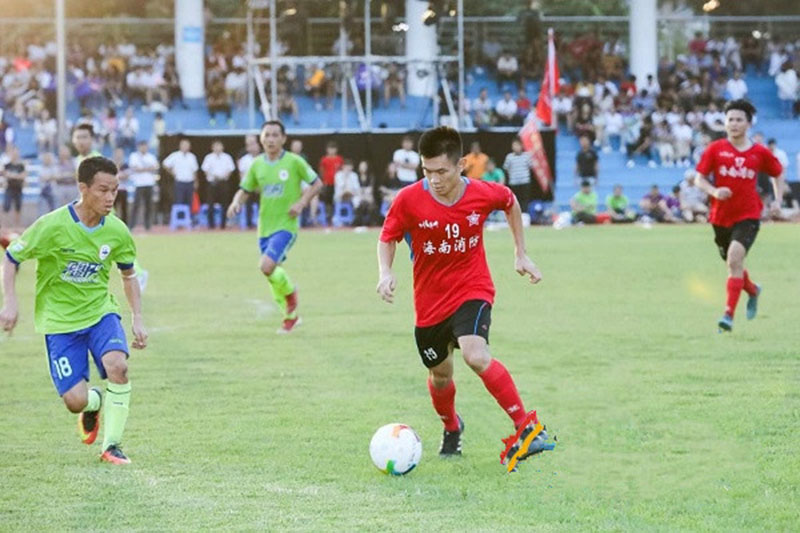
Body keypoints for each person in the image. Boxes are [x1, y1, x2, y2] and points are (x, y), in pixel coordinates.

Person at [376, 126, 555, 472]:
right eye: (427, 171)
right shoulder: (408, 199)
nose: (434, 179)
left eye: (442, 171)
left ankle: (527, 427)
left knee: (476, 355)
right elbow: (388, 237)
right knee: (440, 376)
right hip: (429, 303)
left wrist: (520, 253)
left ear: (461, 165)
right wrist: (385, 272)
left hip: (473, 289)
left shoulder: (482, 193)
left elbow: (510, 202)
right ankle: (452, 426)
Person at [0, 156, 148, 464]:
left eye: (115, 190)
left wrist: (137, 317)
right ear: (83, 188)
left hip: (100, 313)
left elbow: (128, 275)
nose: (110, 197)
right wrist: (10, 301)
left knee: (118, 367)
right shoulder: (52, 225)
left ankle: (112, 445)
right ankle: (93, 403)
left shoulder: (117, 231)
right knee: (75, 401)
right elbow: (12, 258)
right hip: (60, 322)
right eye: (103, 190)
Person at [694, 99, 784, 332]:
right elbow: (699, 179)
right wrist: (714, 191)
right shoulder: (715, 149)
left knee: (734, 260)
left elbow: (777, 173)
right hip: (720, 216)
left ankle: (728, 316)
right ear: (725, 123)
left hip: (749, 215)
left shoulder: (759, 152)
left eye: (739, 120)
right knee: (733, 264)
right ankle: (752, 290)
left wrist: (778, 200)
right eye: (730, 119)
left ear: (748, 124)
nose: (734, 124)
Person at [226, 121, 322, 334]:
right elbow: (245, 189)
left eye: (275, 135)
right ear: (261, 139)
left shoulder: (294, 162)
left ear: (283, 138)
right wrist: (235, 202)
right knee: (271, 274)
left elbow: (317, 183)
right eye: (266, 135)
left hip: (286, 226)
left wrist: (302, 203)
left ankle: (291, 294)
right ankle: (290, 317)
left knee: (266, 266)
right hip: (264, 227)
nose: (270, 139)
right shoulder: (257, 165)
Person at [201, 140, 236, 230]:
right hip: (212, 182)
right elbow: (205, 170)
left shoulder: (227, 157)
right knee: (210, 203)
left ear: (222, 147)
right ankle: (211, 225)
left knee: (224, 204)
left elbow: (231, 169)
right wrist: (213, 176)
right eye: (215, 146)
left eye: (219, 146)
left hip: (223, 182)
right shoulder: (208, 157)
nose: (217, 148)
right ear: (212, 148)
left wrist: (224, 176)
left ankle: (223, 224)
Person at [128, 141, 159, 231]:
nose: (144, 148)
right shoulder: (134, 156)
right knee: (136, 206)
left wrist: (142, 169)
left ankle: (148, 225)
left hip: (149, 183)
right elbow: (135, 168)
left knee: (149, 205)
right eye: (142, 146)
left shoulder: (151, 157)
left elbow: (155, 167)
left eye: (145, 146)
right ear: (139, 147)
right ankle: (131, 225)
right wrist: (148, 169)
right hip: (139, 184)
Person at [163, 138, 199, 209]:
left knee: (189, 201)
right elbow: (165, 164)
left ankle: (189, 215)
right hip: (180, 182)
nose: (185, 147)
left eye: (187, 145)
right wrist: (172, 172)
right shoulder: (175, 155)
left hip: (190, 182)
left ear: (189, 147)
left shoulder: (192, 156)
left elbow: (195, 170)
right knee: (179, 201)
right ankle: (180, 216)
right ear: (180, 146)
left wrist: (196, 181)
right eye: (184, 145)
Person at [237, 134, 262, 229]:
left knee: (262, 206)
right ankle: (248, 224)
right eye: (249, 145)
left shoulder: (263, 158)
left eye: (254, 144)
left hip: (261, 186)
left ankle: (262, 223)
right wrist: (244, 186)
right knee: (248, 206)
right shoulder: (244, 160)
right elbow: (242, 175)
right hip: (248, 186)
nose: (252, 147)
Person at [502, 139, 533, 213]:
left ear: (521, 146)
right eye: (514, 145)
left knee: (525, 199)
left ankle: (525, 214)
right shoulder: (509, 157)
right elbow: (505, 168)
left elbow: (530, 167)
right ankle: (516, 214)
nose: (516, 147)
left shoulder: (526, 155)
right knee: (515, 200)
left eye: (518, 145)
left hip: (525, 181)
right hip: (514, 182)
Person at [2, 146, 26, 228]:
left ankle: (17, 226)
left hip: (18, 189)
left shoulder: (21, 166)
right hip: (9, 188)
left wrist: (12, 175)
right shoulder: (7, 165)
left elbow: (23, 176)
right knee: (6, 207)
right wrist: (16, 176)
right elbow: (5, 174)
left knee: (18, 208)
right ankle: (4, 227)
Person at [112, 148, 130, 225]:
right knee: (113, 209)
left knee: (124, 208)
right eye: (117, 153)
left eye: (120, 153)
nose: (118, 155)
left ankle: (125, 225)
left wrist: (118, 175)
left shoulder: (125, 165)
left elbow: (126, 176)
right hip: (113, 190)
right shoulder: (111, 165)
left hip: (123, 189)